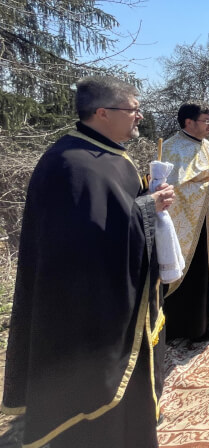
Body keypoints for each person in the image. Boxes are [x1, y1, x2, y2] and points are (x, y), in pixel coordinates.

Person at [2, 76, 174, 448]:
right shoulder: (71, 164)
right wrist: (149, 207)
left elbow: (117, 212)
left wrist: (147, 199)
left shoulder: (108, 154)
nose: (140, 116)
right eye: (132, 109)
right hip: (87, 310)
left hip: (118, 297)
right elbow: (91, 240)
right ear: (102, 112)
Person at [162, 102, 209, 342]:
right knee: (195, 270)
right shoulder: (172, 148)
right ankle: (192, 326)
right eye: (206, 120)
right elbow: (174, 189)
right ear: (188, 122)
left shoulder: (207, 145)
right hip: (188, 224)